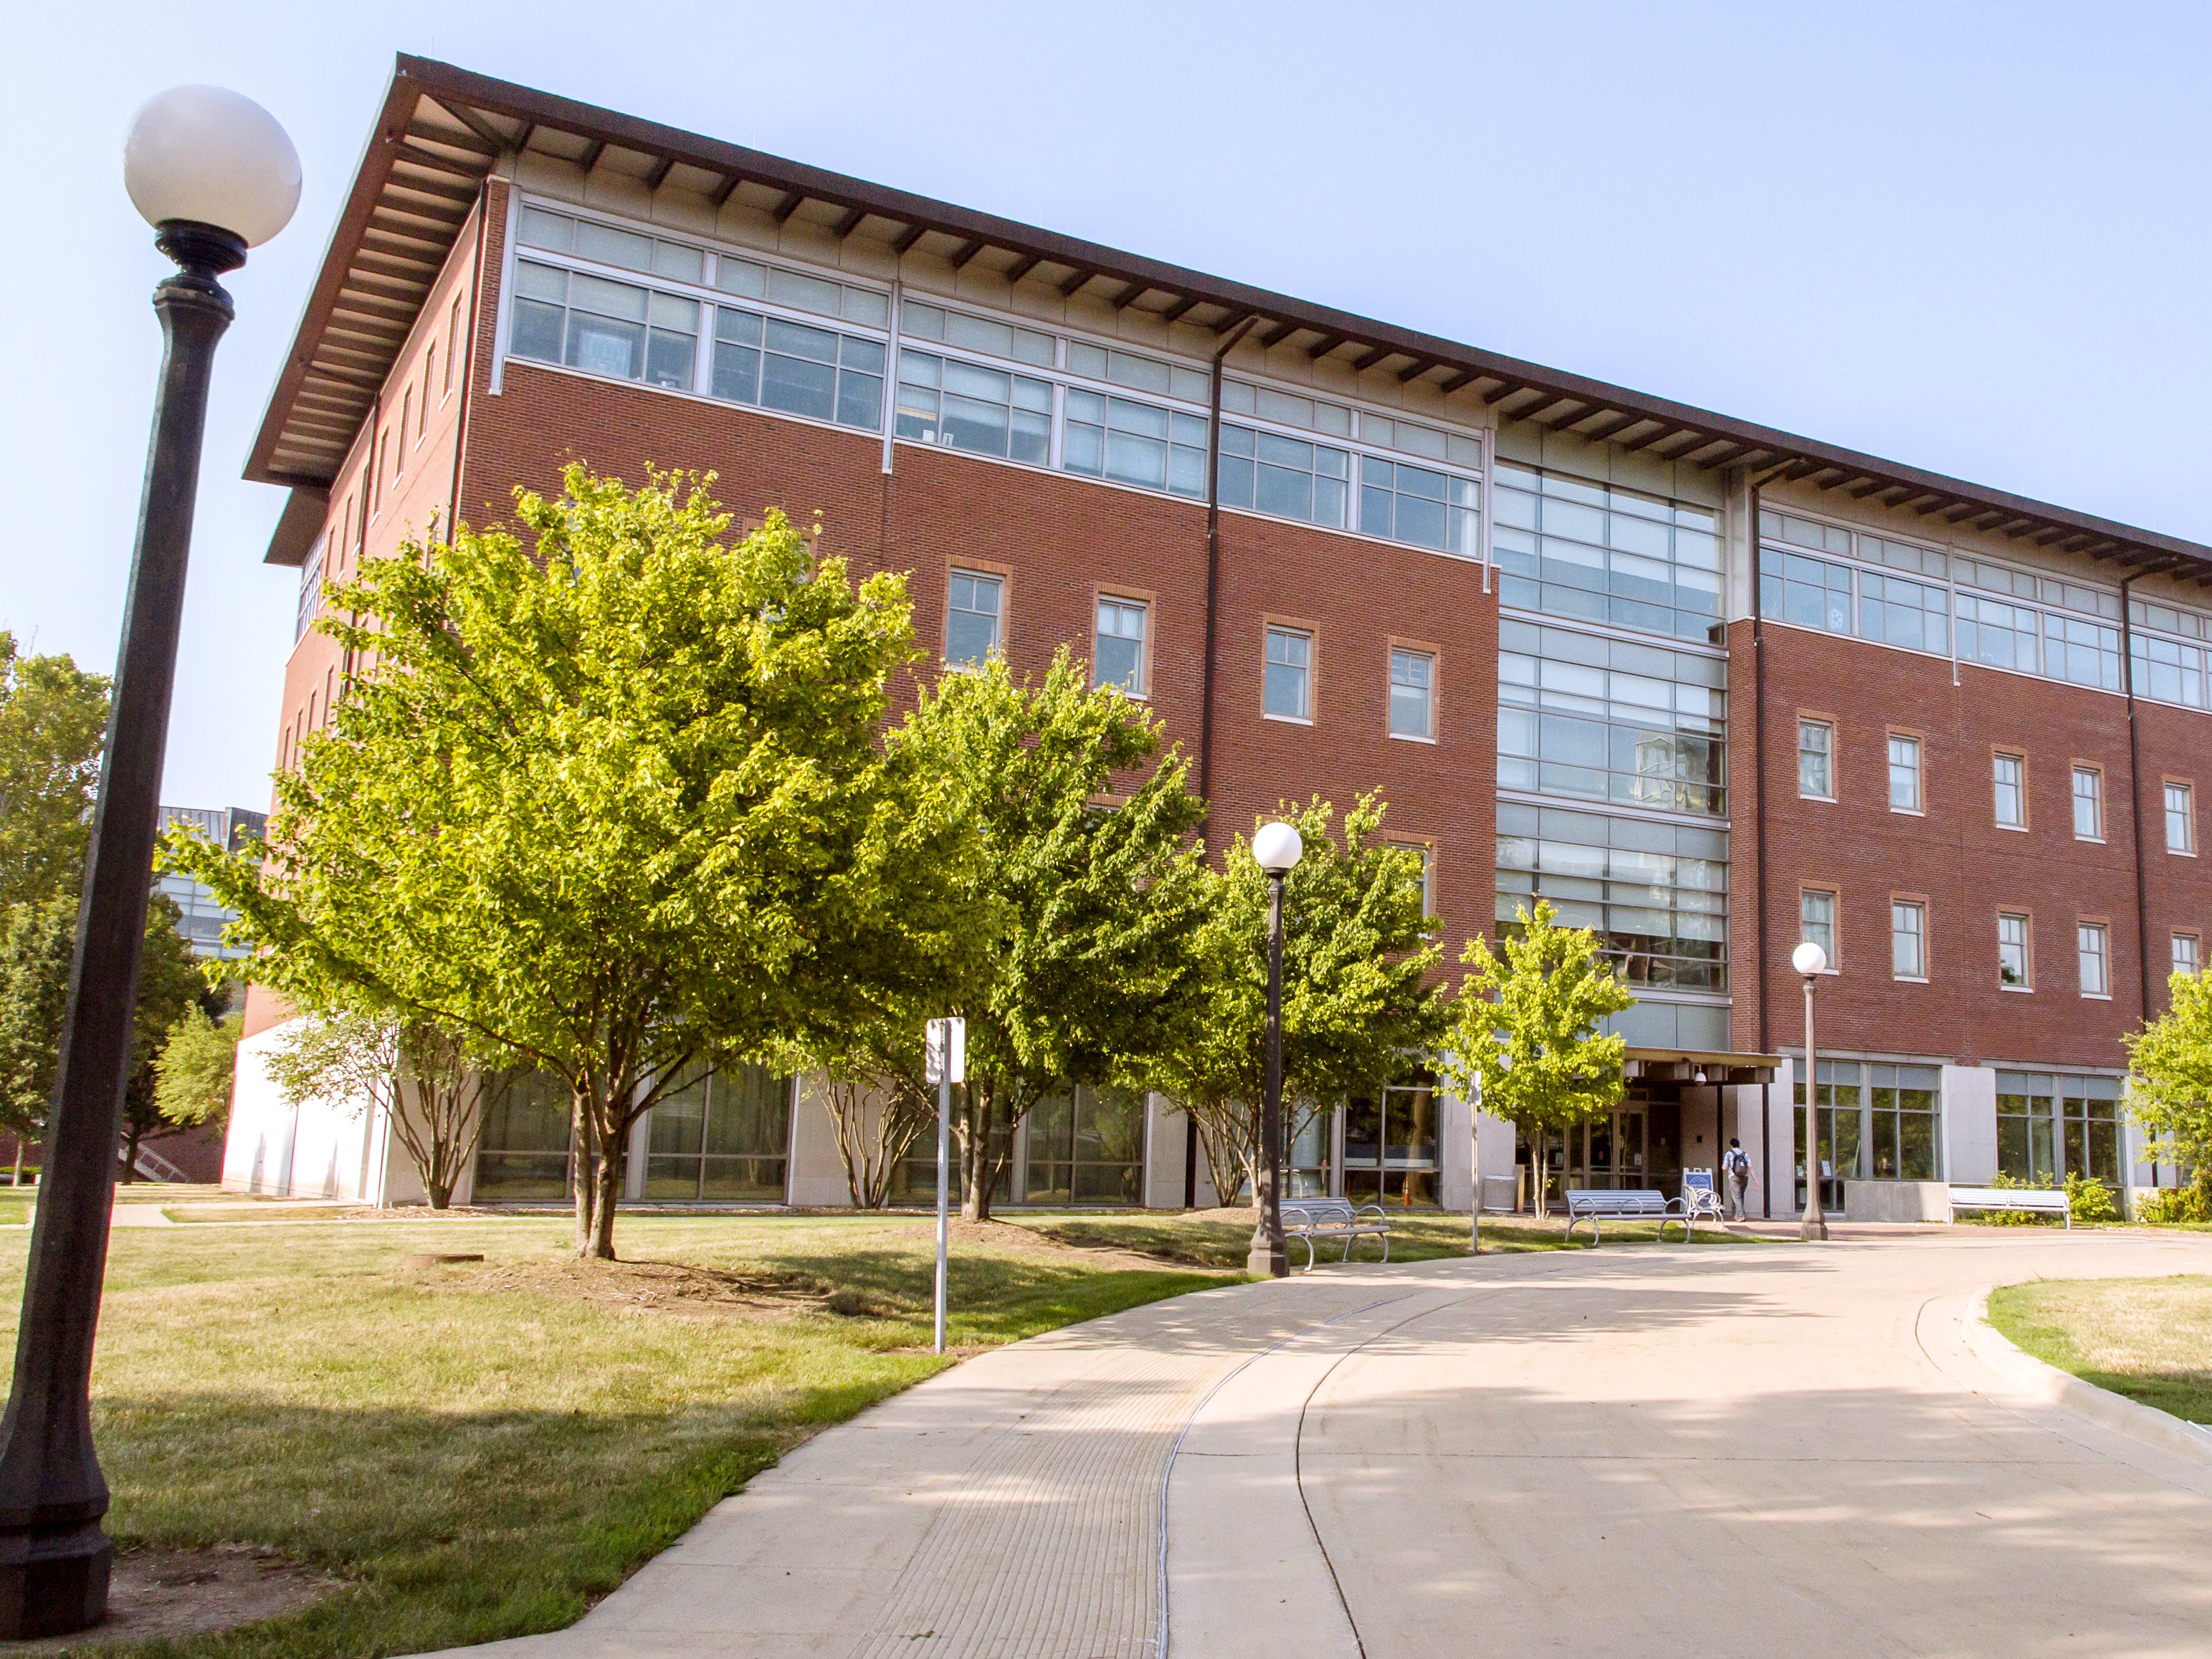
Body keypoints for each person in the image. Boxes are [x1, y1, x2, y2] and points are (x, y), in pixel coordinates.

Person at [1723, 1137, 1755, 1220]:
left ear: (1731, 1145)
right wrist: (1755, 1179)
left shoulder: (1729, 1154)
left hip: (1734, 1177)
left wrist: (1724, 1166)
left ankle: (1741, 1216)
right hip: (1745, 1177)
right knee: (1740, 1196)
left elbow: (1725, 1167)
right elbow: (1750, 1167)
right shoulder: (1745, 1154)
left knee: (1737, 1197)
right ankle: (1736, 1214)